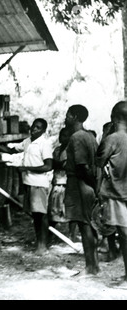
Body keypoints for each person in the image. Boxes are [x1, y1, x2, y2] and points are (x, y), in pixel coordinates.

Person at [0, 118, 53, 255]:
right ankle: (39, 242)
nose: (34, 129)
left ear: (43, 130)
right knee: (35, 215)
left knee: (42, 215)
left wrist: (26, 168)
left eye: (38, 128)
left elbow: (48, 166)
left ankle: (43, 245)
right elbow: (10, 151)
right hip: (28, 182)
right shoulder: (28, 142)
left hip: (39, 184)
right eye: (33, 126)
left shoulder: (44, 144)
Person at [64, 104, 99, 277]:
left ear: (75, 117)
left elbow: (81, 166)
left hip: (79, 184)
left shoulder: (76, 137)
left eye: (68, 115)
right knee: (88, 224)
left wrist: (90, 184)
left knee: (84, 225)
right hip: (88, 184)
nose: (66, 118)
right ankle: (94, 265)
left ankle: (90, 267)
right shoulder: (90, 136)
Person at [96, 101, 127, 288]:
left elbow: (98, 164)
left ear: (114, 118)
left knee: (125, 236)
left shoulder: (112, 139)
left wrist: (99, 190)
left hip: (118, 195)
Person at [48, 127, 79, 243]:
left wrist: (56, 164)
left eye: (66, 135)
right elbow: (52, 164)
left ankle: (72, 235)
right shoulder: (57, 150)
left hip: (67, 184)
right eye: (61, 135)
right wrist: (56, 164)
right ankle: (50, 236)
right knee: (53, 211)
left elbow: (65, 165)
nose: (62, 138)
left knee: (70, 212)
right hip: (57, 183)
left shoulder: (71, 151)